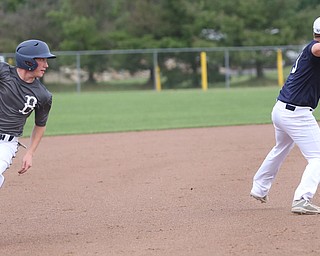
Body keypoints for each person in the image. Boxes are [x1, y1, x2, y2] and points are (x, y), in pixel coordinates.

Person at [250, 17, 320, 215]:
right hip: (296, 114)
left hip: (282, 110)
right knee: (318, 157)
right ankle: (302, 199)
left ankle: (259, 188)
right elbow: (317, 48)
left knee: (281, 148)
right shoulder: (314, 48)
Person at [0, 39, 56, 187]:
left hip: (6, 144)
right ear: (28, 61)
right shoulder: (3, 73)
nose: (46, 65)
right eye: (42, 59)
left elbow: (40, 125)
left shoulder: (43, 95)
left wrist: (30, 153)